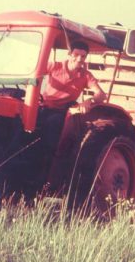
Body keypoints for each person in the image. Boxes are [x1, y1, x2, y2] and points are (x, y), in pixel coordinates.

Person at [40, 40, 106, 191]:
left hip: (63, 111)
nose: (79, 59)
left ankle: (48, 180)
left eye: (83, 56)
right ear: (69, 54)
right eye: (76, 54)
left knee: (51, 130)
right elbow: (35, 73)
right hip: (45, 106)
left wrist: (89, 101)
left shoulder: (85, 75)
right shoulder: (54, 66)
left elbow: (101, 94)